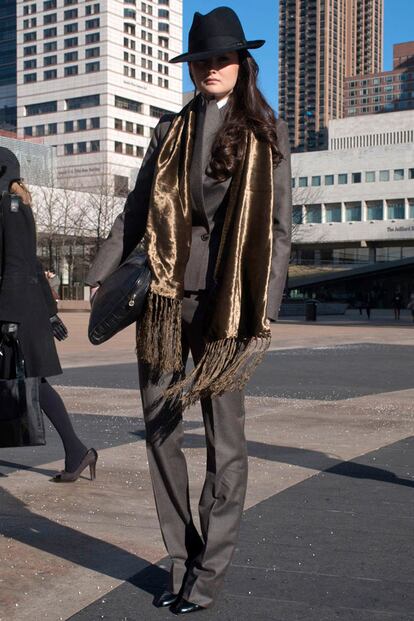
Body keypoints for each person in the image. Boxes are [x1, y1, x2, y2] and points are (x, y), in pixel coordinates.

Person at [87, 7, 292, 614]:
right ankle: (182, 560)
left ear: (241, 64)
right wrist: (99, 276)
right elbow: (135, 211)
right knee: (160, 434)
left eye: (221, 59)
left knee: (224, 445)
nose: (210, 68)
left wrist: (265, 309)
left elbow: (278, 231)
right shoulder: (169, 131)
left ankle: (207, 578)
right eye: (201, 59)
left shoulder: (264, 133)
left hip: (226, 308)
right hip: (161, 301)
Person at [0, 148, 97, 482]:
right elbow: (32, 264)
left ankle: (77, 450)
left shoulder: (9, 209)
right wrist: (51, 311)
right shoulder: (16, 206)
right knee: (34, 384)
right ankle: (77, 452)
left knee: (32, 384)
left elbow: (15, 264)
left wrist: (9, 317)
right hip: (24, 310)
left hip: (17, 312)